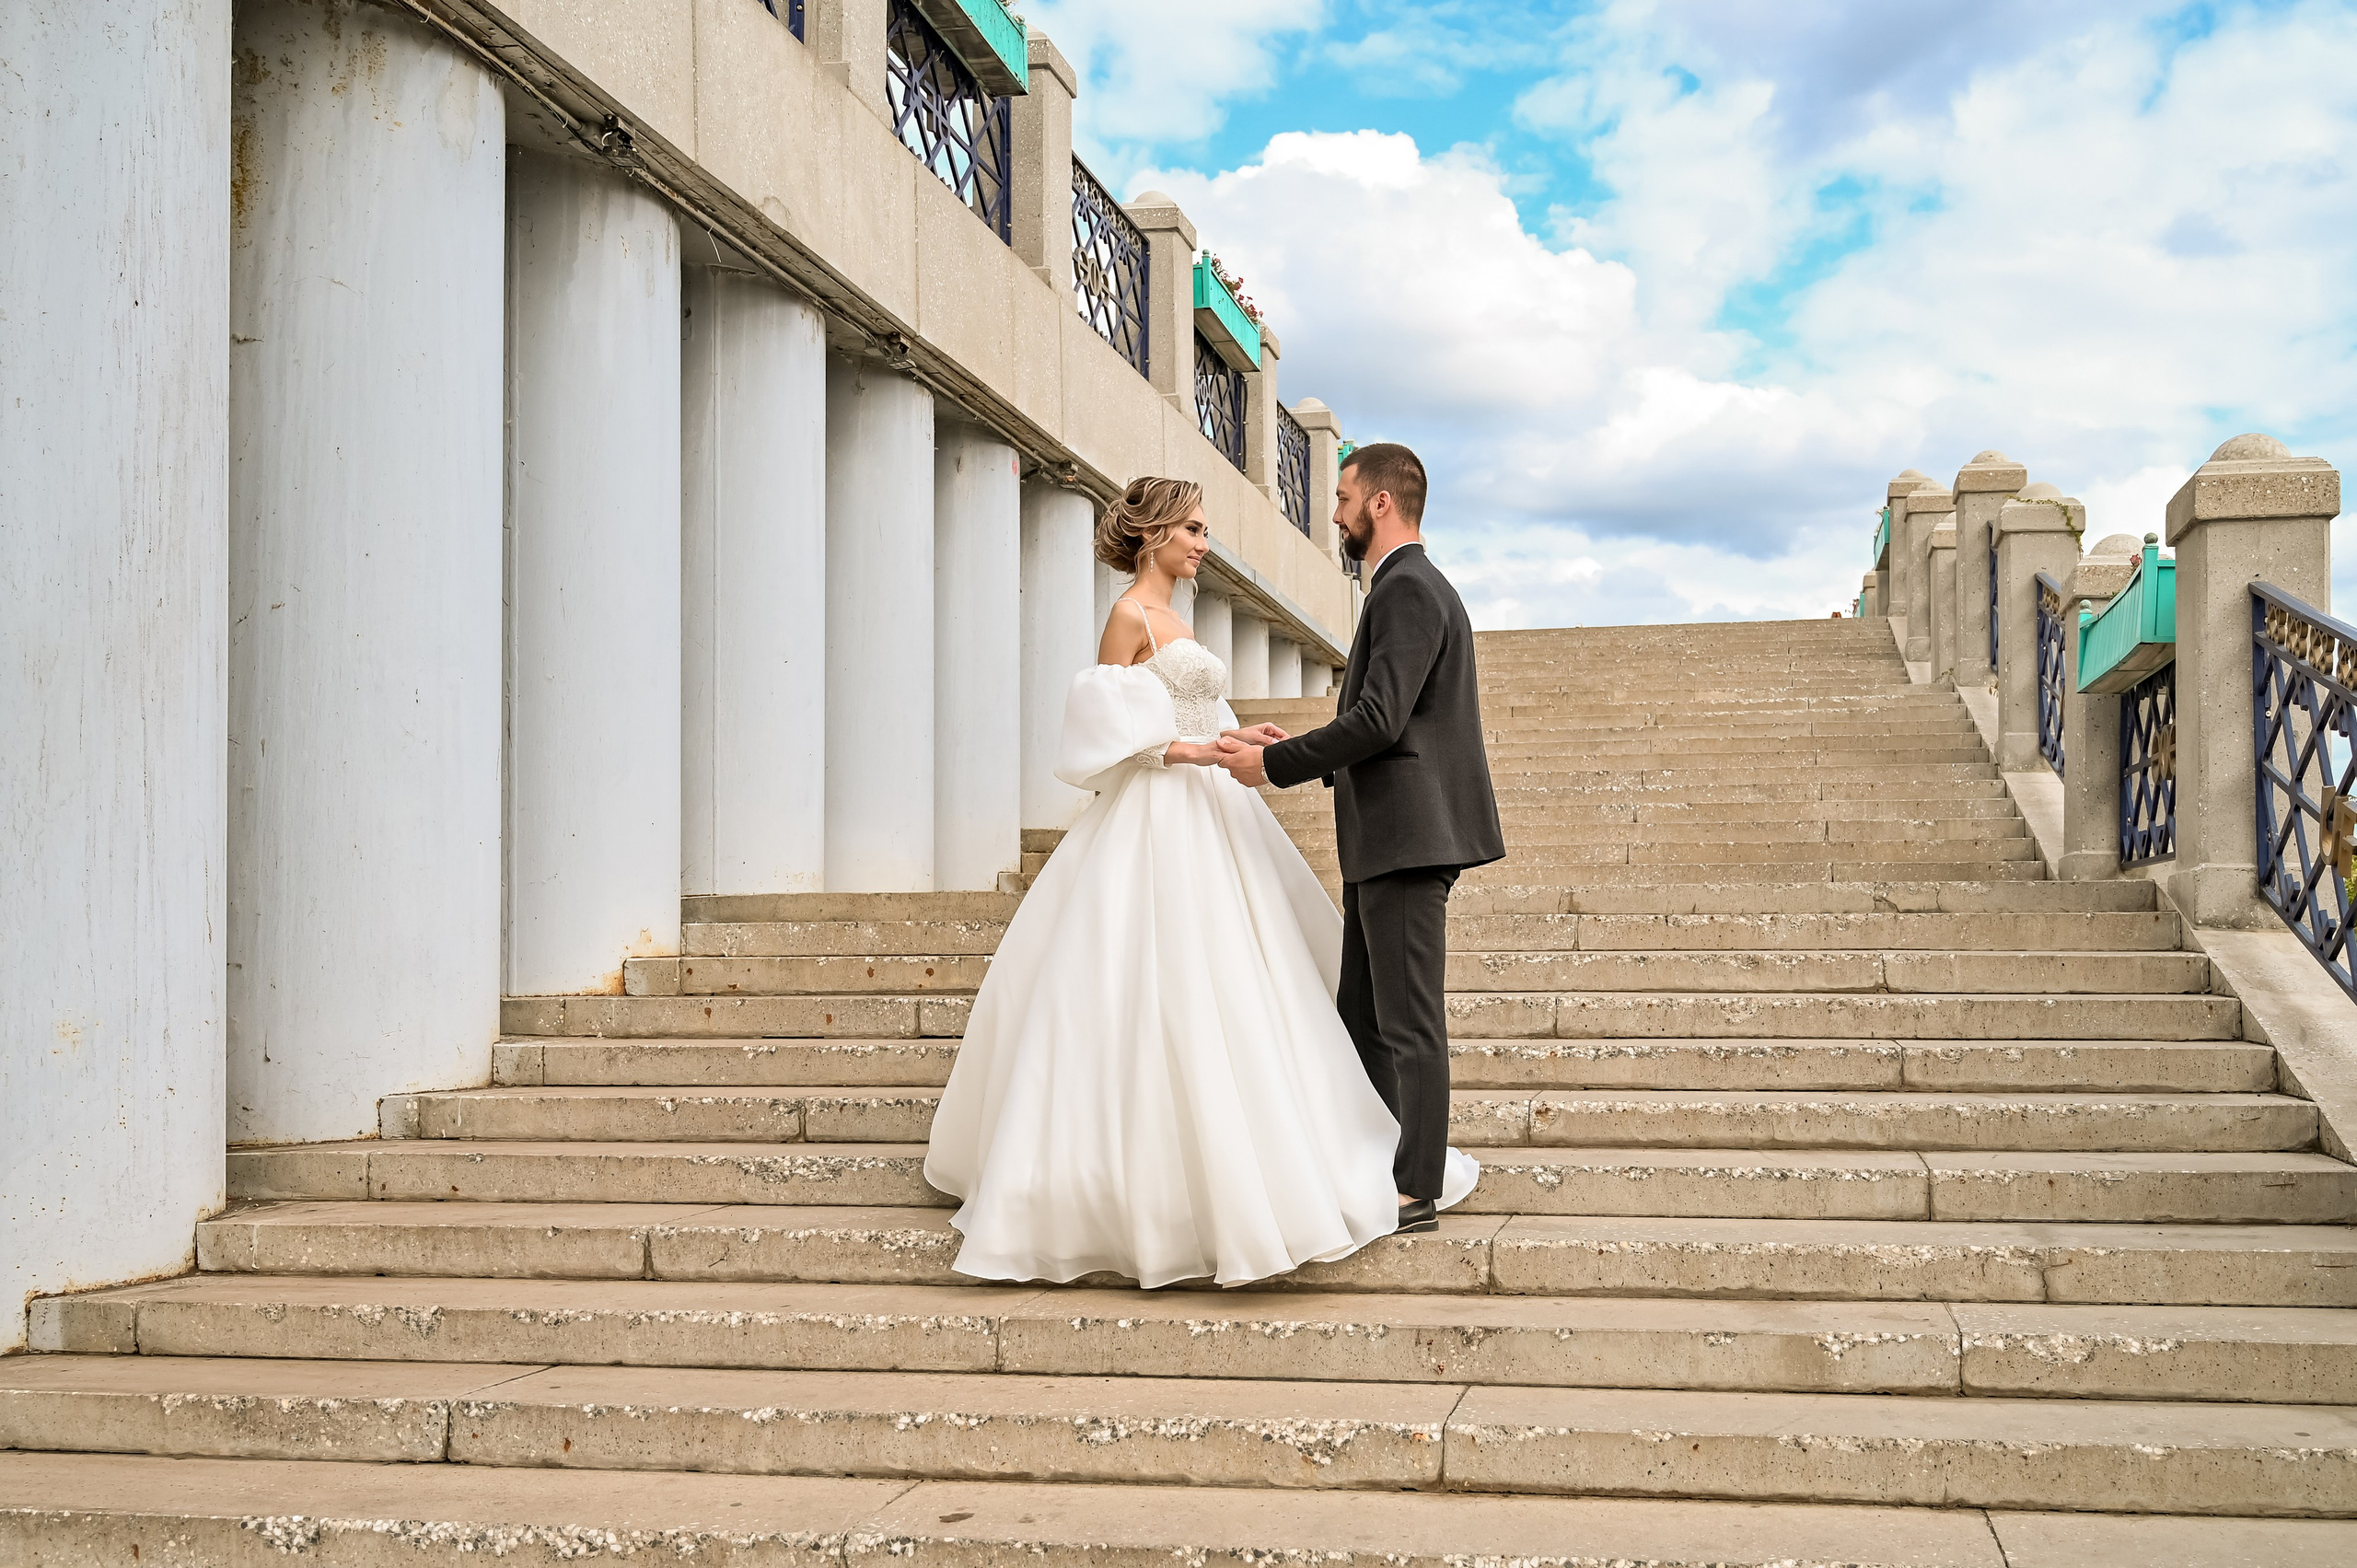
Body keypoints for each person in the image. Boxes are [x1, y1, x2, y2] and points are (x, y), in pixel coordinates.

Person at [923, 475, 1476, 1288]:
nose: (1202, 543)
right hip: (1153, 816)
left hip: (1213, 811)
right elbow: (1103, 728)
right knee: (1148, 983)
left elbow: (1197, 712)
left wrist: (1234, 735)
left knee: (1250, 980)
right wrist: (1190, 750)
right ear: (1151, 536)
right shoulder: (1129, 615)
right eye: (1191, 528)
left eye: (1205, 529)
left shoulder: (1183, 619)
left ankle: (1371, 1164)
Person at [1215, 443, 1504, 1235]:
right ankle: (1372, 1162)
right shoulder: (1407, 587)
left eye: (1343, 498)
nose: (1335, 513)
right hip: (1388, 841)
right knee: (1363, 1020)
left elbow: (1380, 720)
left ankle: (1416, 1191)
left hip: (1409, 842)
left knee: (1407, 1022)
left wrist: (1274, 763)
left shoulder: (1407, 588)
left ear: (1380, 503)